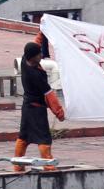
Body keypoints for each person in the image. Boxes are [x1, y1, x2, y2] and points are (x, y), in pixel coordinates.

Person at [13, 42, 65, 171]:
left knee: (23, 137)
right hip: (36, 110)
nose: (41, 55)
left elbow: (34, 43)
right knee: (43, 139)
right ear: (33, 57)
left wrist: (42, 31)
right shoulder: (36, 75)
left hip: (27, 107)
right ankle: (49, 167)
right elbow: (50, 96)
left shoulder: (24, 61)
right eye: (39, 54)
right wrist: (59, 113)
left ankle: (18, 167)